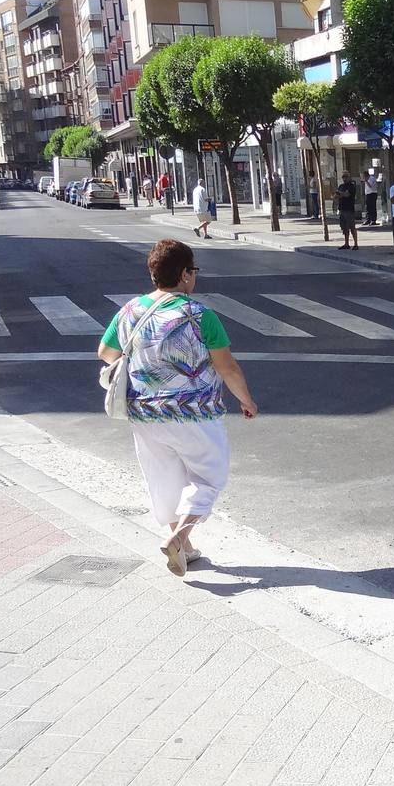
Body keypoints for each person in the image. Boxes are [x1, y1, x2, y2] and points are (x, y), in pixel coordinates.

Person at [98, 240, 258, 577]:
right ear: (185, 274)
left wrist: (147, 365)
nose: (194, 276)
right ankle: (178, 536)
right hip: (194, 413)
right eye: (193, 270)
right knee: (209, 477)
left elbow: (106, 352)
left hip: (143, 413)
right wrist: (246, 400)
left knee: (164, 480)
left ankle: (183, 549)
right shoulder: (200, 315)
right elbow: (227, 367)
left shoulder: (129, 311)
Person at [335, 172, 360, 250]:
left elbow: (347, 194)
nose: (344, 178)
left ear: (349, 177)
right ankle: (346, 243)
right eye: (343, 177)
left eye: (346, 176)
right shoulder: (341, 186)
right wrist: (337, 195)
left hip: (349, 209)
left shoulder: (351, 186)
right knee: (344, 227)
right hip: (342, 209)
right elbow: (336, 196)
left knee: (352, 227)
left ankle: (355, 244)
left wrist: (340, 193)